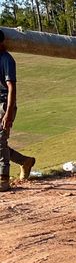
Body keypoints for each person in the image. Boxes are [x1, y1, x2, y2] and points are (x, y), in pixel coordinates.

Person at [0, 31, 36, 192]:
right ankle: (25, 161)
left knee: (0, 142)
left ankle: (3, 179)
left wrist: (8, 112)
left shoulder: (6, 59)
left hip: (4, 105)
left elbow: (11, 87)